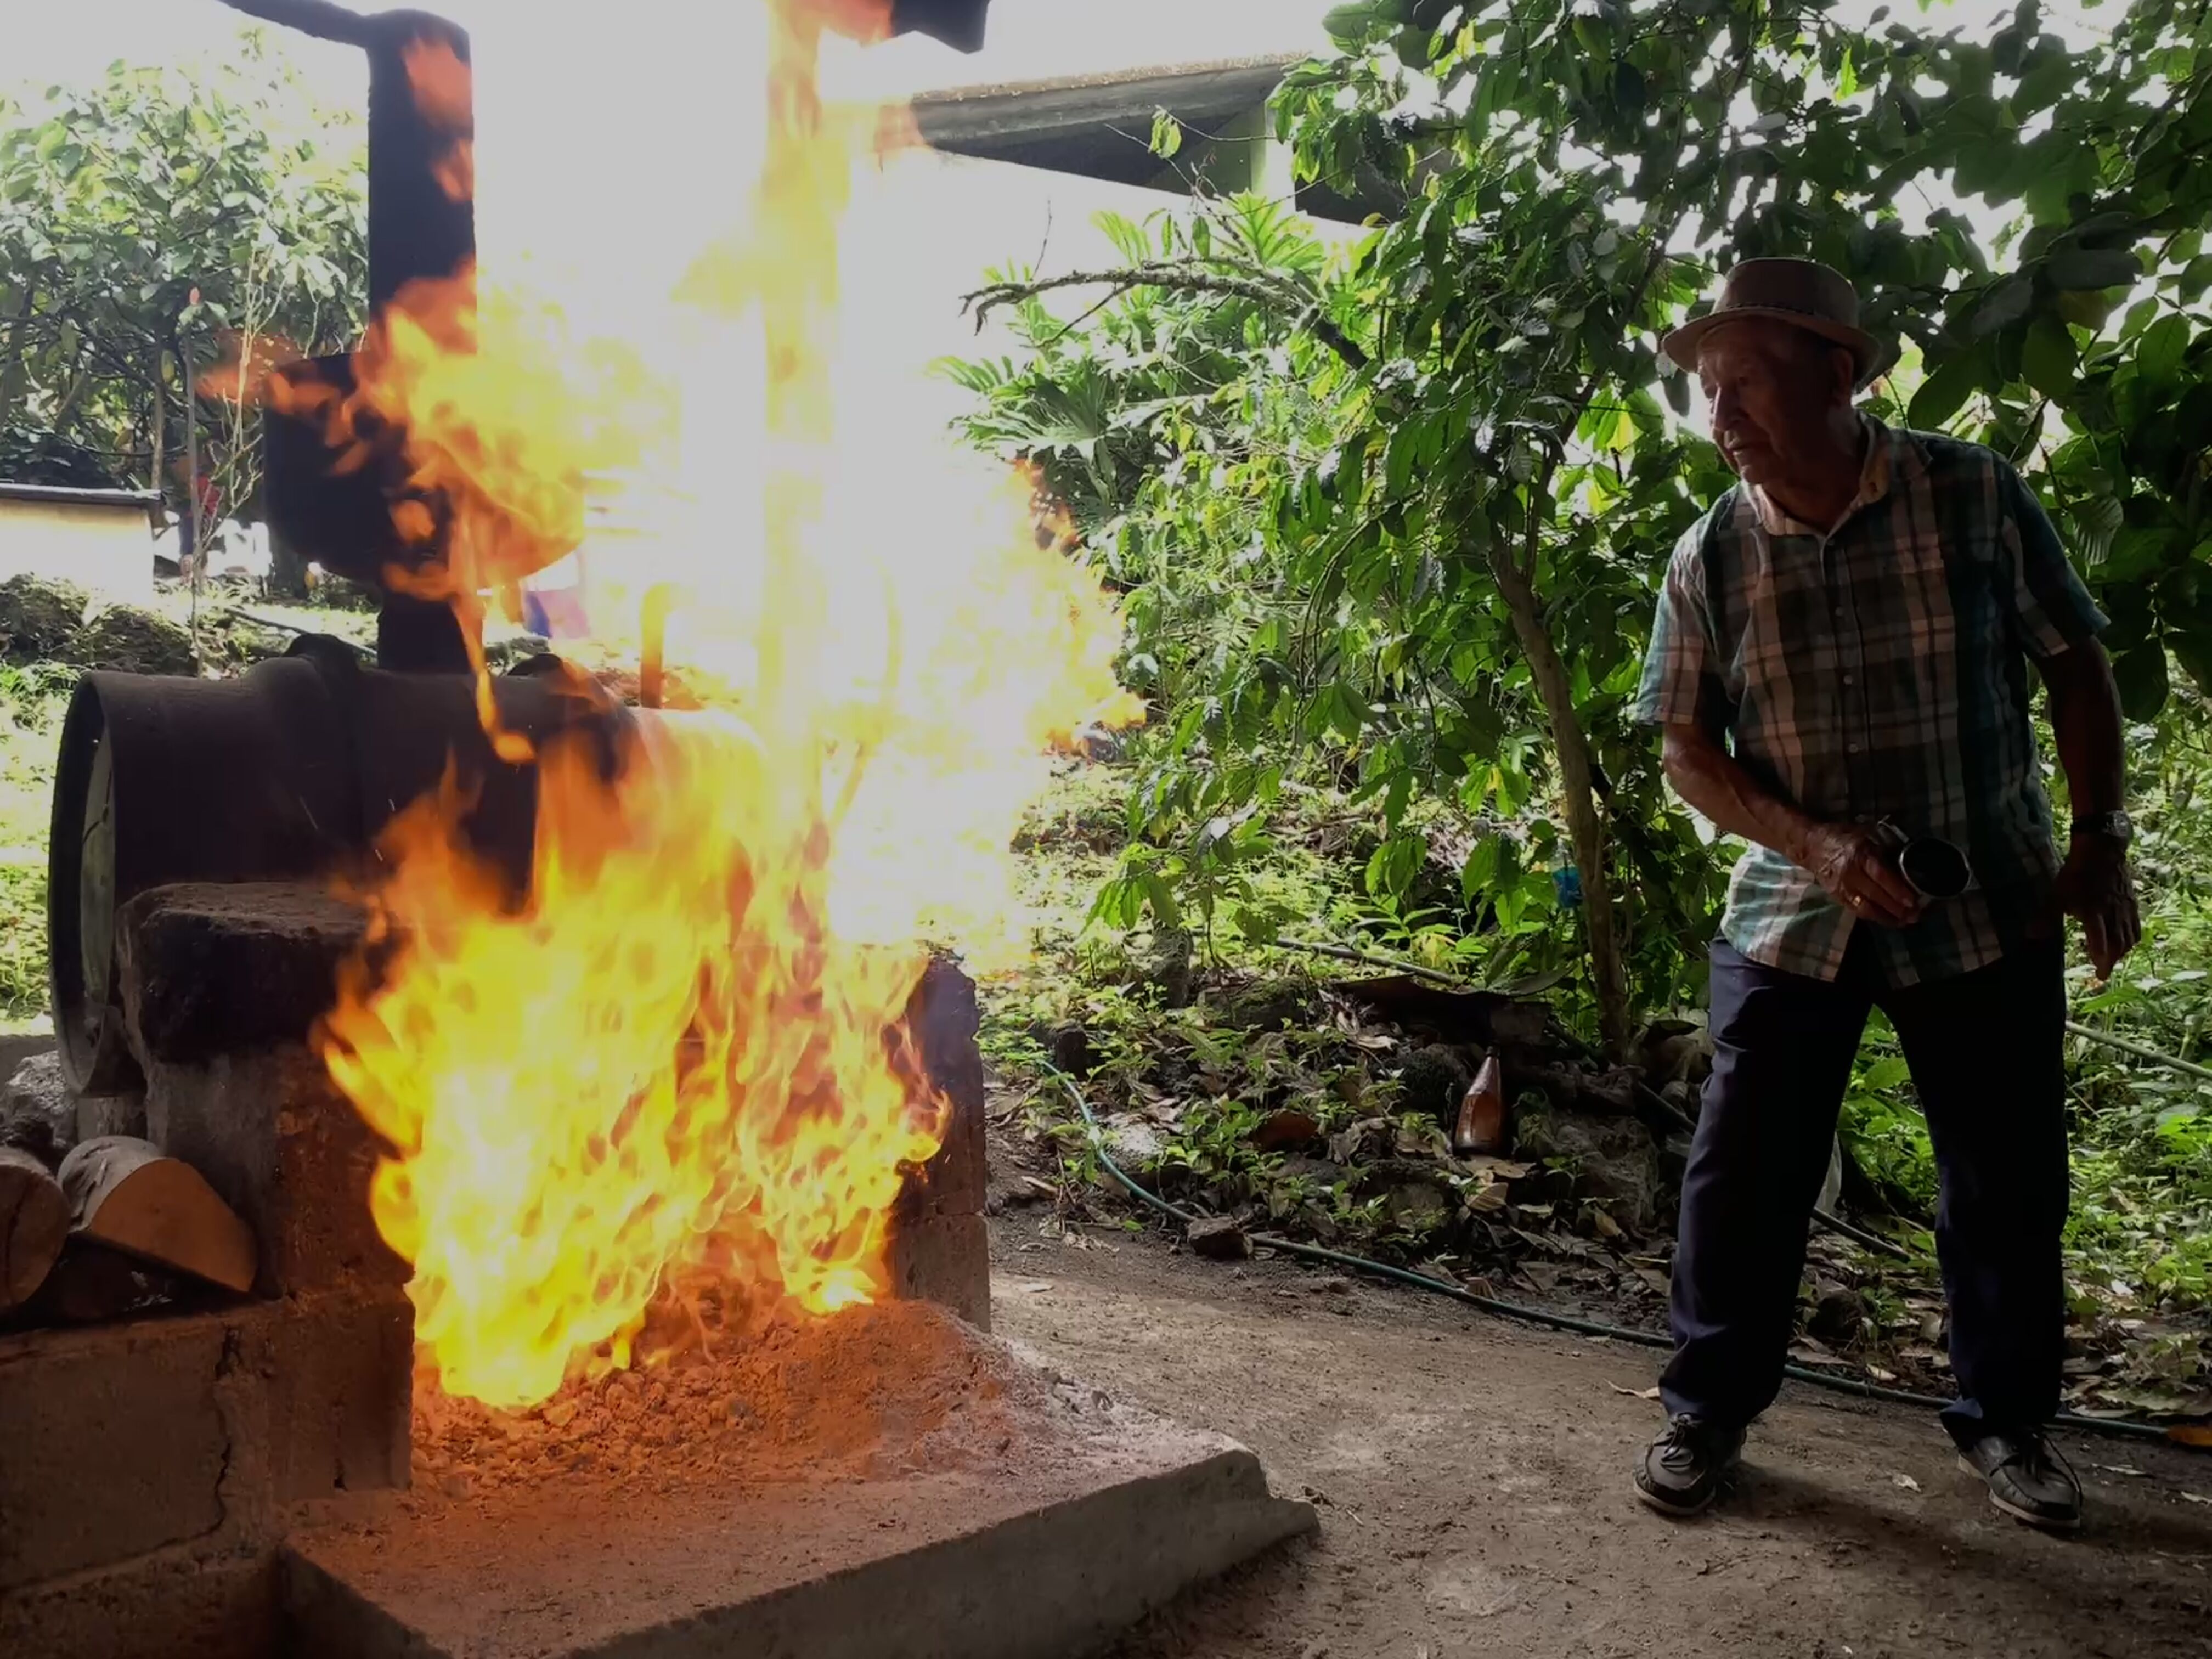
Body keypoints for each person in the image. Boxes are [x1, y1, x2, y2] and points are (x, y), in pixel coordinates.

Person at [1632, 258, 2140, 1533]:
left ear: (1839, 373)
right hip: (1792, 912)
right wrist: (1815, 846)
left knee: (2005, 1175)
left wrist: (2099, 838)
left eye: (1747, 381)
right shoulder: (1711, 554)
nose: (1721, 414)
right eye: (1707, 388)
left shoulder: (1973, 496)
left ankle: (2008, 1421)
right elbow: (1685, 748)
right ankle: (1706, 1410)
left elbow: (2077, 665)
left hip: (1987, 898)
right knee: (1742, 1172)